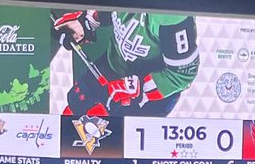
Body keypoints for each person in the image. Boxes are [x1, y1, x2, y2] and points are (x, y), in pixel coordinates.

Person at [53, 9, 200, 119]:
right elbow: (108, 9)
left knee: (108, 146)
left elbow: (181, 75)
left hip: (149, 97)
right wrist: (86, 22)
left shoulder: (171, 15)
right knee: (72, 117)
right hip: (112, 66)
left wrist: (139, 88)